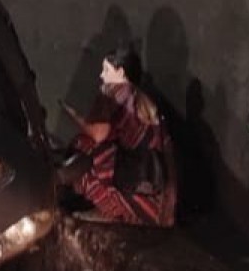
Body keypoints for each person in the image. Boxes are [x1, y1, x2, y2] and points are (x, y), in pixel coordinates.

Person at [57, 46, 175, 226]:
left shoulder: (117, 93)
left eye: (106, 70)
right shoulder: (144, 100)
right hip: (157, 203)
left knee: (85, 149)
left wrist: (74, 115)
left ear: (120, 72)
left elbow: (98, 135)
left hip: (137, 187)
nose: (101, 76)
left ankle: (58, 189)